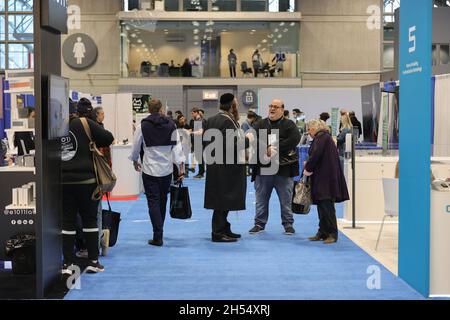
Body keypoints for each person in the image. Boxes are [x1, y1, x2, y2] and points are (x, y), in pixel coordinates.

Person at [61, 98, 114, 274]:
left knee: (67, 221)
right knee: (90, 220)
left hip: (64, 180)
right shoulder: (85, 123)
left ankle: (68, 264)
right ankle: (92, 261)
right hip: (86, 180)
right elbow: (108, 138)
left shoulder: (57, 125)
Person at [129, 99, 185, 246]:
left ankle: (157, 235)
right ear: (161, 109)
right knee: (162, 201)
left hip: (149, 170)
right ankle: (160, 232)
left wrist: (135, 160)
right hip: (166, 170)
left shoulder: (143, 125)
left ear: (149, 109)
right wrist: (181, 167)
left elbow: (136, 146)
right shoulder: (171, 125)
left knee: (153, 202)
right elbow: (177, 148)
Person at [248, 99, 301, 235]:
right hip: (263, 169)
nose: (272, 109)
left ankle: (288, 224)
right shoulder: (260, 123)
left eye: (275, 107)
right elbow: (251, 138)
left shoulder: (290, 125)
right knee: (261, 200)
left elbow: (295, 139)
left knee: (286, 200)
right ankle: (259, 224)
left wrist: (275, 147)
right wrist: (266, 148)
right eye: (270, 106)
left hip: (283, 170)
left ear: (282, 110)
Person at [204, 93, 248, 242]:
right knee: (223, 200)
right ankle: (217, 232)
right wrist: (248, 141)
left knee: (222, 199)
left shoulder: (211, 120)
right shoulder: (228, 122)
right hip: (227, 168)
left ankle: (224, 228)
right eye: (236, 104)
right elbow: (232, 146)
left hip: (216, 165)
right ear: (231, 106)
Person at [303, 119, 349, 244]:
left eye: (310, 129)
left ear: (316, 128)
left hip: (325, 178)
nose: (308, 132)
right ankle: (322, 232)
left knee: (327, 207)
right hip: (323, 177)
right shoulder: (323, 137)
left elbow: (316, 155)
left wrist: (307, 168)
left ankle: (332, 234)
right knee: (322, 206)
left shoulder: (322, 137)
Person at [190, 107, 207, 179]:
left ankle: (201, 173)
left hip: (200, 141)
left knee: (200, 158)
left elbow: (200, 132)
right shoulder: (197, 120)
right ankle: (201, 172)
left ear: (196, 112)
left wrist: (191, 132)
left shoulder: (199, 120)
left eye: (192, 113)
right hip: (198, 141)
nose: (192, 115)